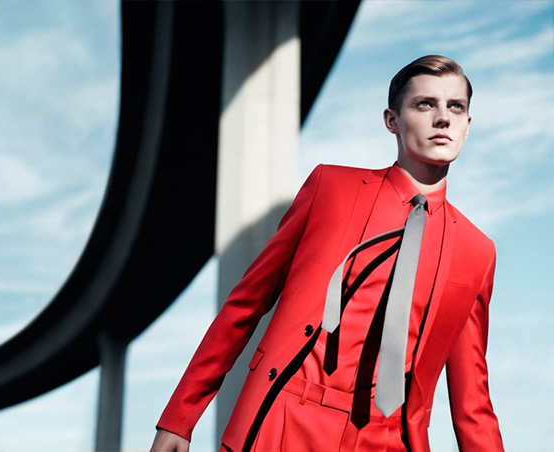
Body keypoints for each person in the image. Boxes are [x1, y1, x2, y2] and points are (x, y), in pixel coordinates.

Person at [150, 55, 504, 452]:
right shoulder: (330, 189)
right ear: (392, 120)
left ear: (467, 124)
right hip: (285, 421)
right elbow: (245, 304)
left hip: (390, 440)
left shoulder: (477, 252)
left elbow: (473, 401)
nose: (442, 119)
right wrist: (180, 417)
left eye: (455, 107)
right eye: (425, 104)